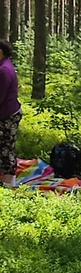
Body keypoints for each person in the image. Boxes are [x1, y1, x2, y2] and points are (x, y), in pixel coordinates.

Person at [0, 40, 21, 187]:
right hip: (5, 113)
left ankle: (9, 184)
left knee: (6, 149)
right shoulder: (3, 66)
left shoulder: (4, 70)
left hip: (7, 115)